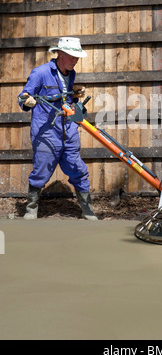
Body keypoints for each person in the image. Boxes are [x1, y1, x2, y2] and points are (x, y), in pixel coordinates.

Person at [18, 37, 98, 221]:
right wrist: (27, 100)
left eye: (77, 57)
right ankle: (31, 209)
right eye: (72, 56)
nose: (75, 60)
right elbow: (23, 96)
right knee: (41, 170)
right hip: (46, 131)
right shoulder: (40, 73)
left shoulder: (71, 74)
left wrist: (75, 98)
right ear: (60, 54)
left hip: (68, 130)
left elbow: (67, 101)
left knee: (78, 168)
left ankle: (88, 210)